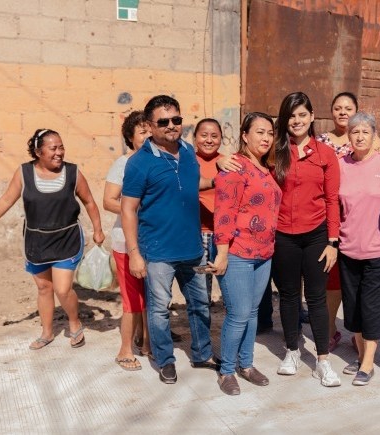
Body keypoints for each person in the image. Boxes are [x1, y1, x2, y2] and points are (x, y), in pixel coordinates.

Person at [0, 128, 105, 350]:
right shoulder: (24, 173)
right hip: (36, 242)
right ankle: (47, 332)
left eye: (61, 147)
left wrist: (97, 229)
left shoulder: (73, 173)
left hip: (67, 239)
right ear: (38, 152)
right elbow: (6, 200)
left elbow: (89, 201)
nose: (59, 152)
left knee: (62, 289)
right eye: (53, 148)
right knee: (44, 287)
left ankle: (74, 322)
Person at [120, 95, 218, 385]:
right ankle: (164, 360)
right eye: (163, 122)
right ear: (150, 126)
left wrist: (216, 180)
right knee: (160, 310)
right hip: (158, 252)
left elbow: (191, 183)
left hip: (193, 249)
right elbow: (128, 209)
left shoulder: (187, 151)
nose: (172, 125)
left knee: (199, 304)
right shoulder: (139, 163)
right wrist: (135, 253)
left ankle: (202, 354)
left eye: (176, 119)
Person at [208, 112, 282, 395]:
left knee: (251, 312)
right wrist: (222, 253)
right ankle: (227, 371)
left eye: (269, 133)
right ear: (244, 135)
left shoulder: (265, 168)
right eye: (259, 132)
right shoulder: (234, 167)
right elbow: (224, 212)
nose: (266, 138)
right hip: (237, 251)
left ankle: (246, 364)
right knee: (238, 313)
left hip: (263, 253)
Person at [272, 91, 341, 387]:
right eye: (291, 115)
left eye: (302, 114)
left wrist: (333, 241)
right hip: (283, 235)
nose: (297, 120)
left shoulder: (325, 154)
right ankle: (292, 351)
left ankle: (322, 360)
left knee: (315, 297)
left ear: (312, 117)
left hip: (316, 235)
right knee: (288, 296)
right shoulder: (275, 152)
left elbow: (332, 199)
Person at [316, 92, 380, 352]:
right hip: (336, 224)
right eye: (338, 108)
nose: (343, 112)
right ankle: (332, 330)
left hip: (369, 233)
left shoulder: (376, 146)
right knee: (336, 283)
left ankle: (363, 341)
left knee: (365, 292)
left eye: (348, 108)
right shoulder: (324, 143)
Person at [336, 112, 380, 386]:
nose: (360, 137)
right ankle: (361, 354)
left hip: (377, 250)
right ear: (348, 136)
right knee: (353, 309)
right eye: (355, 132)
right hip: (347, 248)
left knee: (372, 308)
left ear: (374, 135)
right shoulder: (341, 165)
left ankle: (368, 364)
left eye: (365, 131)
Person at [103, 111, 151, 371]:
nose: (148, 136)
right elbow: (108, 201)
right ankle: (124, 350)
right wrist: (135, 209)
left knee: (152, 297)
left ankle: (147, 343)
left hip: (154, 241)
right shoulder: (123, 164)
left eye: (150, 130)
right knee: (132, 299)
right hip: (126, 242)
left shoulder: (159, 161)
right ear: (130, 137)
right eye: (142, 132)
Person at [194, 118, 223, 304]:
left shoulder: (227, 162)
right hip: (198, 235)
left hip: (223, 235)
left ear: (221, 139)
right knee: (200, 285)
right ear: (195, 138)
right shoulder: (187, 162)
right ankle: (203, 316)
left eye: (214, 136)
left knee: (227, 280)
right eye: (204, 135)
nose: (209, 140)